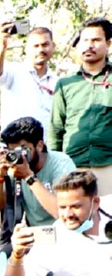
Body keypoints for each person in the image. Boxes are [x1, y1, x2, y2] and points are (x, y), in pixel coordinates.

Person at [0, 116, 73, 249]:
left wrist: (29, 177)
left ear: (39, 145)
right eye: (13, 151)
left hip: (66, 234)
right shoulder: (14, 169)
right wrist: (1, 176)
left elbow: (62, 213)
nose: (19, 156)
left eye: (23, 149)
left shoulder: (60, 163)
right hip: (38, 236)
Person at [50, 18, 112, 197]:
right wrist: (55, 168)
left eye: (96, 40)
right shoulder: (65, 84)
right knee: (76, 221)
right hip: (72, 166)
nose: (89, 46)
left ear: (108, 44)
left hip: (108, 164)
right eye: (85, 40)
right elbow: (56, 129)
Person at [0, 23, 57, 131]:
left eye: (45, 45)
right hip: (15, 145)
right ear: (27, 48)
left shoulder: (57, 81)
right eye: (36, 46)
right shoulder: (14, 71)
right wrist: (2, 46)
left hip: (45, 145)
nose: (40, 50)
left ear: (53, 46)